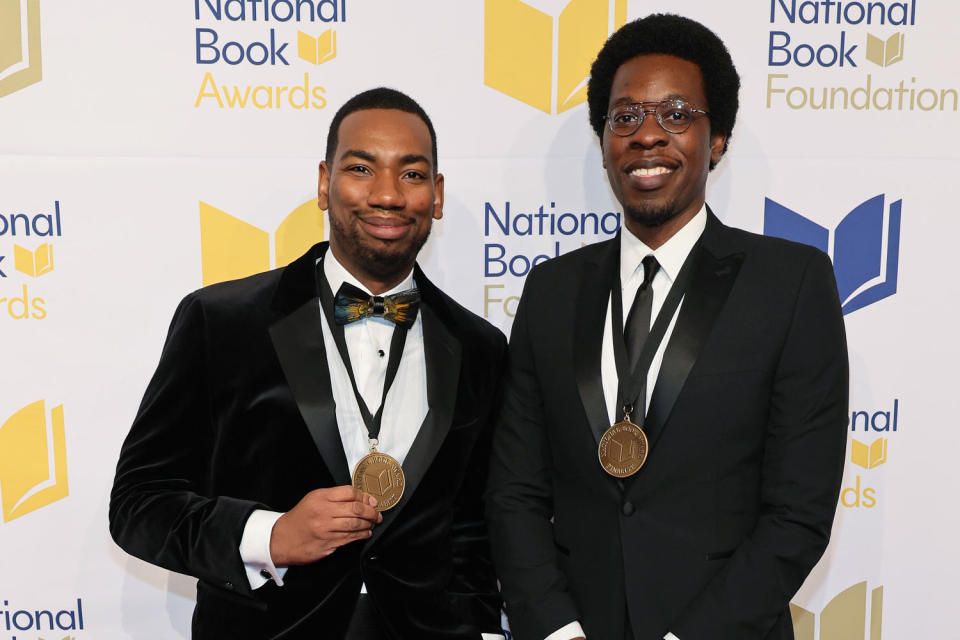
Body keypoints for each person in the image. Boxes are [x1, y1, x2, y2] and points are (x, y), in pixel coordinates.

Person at [486, 14, 848, 640]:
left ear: (719, 139)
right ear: (602, 141)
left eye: (677, 114)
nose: (648, 135)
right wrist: (556, 628)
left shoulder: (790, 284)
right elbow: (514, 492)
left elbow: (798, 513)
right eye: (624, 117)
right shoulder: (551, 291)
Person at [110, 88, 506, 640]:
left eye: (412, 175)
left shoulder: (480, 347)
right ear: (325, 183)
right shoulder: (221, 322)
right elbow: (138, 504)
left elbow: (475, 525)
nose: (387, 194)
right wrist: (267, 535)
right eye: (361, 168)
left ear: (436, 196)